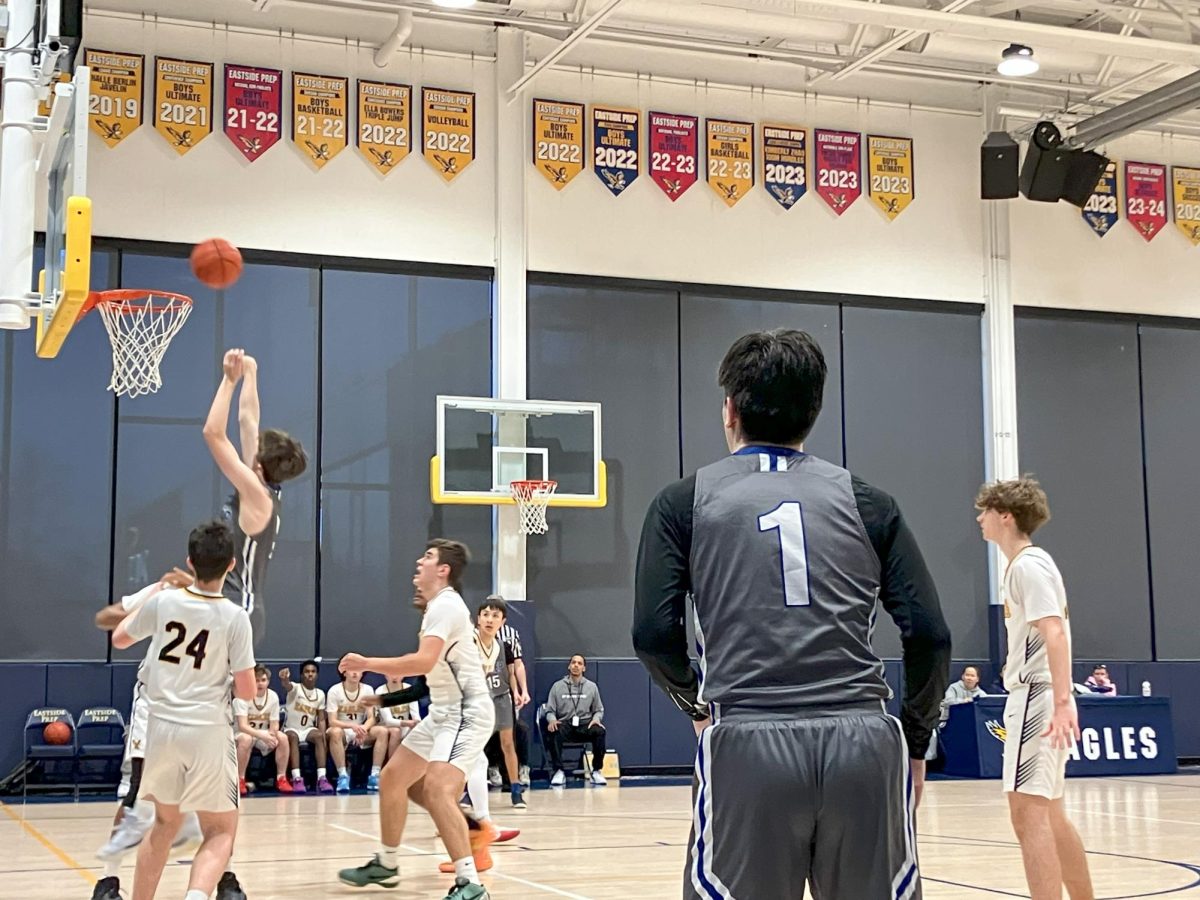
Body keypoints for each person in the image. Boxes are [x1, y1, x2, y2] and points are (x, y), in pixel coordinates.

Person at [633, 329, 952, 899]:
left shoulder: (683, 502)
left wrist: (695, 705)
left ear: (729, 409)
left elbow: (654, 635)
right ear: (814, 412)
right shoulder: (869, 500)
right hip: (864, 742)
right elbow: (929, 634)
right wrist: (916, 742)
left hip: (748, 740)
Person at [337, 539, 494, 900]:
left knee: (438, 789)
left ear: (443, 570)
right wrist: (384, 697)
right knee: (395, 779)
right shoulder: (436, 610)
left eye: (428, 557)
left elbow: (421, 663)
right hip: (442, 713)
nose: (418, 562)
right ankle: (388, 863)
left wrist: (366, 663)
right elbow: (428, 679)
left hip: (466, 713)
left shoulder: (447, 606)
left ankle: (471, 883)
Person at [110, 520, 257, 900]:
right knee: (221, 830)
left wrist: (155, 594)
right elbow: (246, 689)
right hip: (207, 730)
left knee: (162, 825)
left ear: (190, 562)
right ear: (231, 565)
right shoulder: (235, 616)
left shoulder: (164, 602)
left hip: (160, 729)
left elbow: (120, 638)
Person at [976, 476, 1095, 900]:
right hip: (1042, 696)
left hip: (1036, 696)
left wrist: (1063, 702)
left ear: (1005, 516)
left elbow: (1054, 632)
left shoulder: (1028, 565)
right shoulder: (1025, 566)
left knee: (1027, 815)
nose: (980, 518)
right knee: (1051, 813)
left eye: (986, 511)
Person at [91, 578, 204, 900]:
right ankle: (107, 881)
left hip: (195, 710)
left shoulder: (226, 606)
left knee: (208, 797)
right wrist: (146, 606)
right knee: (137, 791)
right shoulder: (164, 591)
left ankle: (222, 878)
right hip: (154, 707)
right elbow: (105, 619)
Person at [203, 349, 307, 645]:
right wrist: (251, 371)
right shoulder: (262, 483)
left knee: (223, 690)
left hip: (240, 608)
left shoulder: (256, 495)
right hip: (232, 604)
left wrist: (228, 381)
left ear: (258, 466)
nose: (254, 438)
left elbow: (213, 433)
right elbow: (248, 420)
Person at [541, 655, 608, 786]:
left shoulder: (591, 687)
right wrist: (552, 720)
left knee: (600, 732)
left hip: (585, 724)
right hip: (565, 723)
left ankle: (596, 771)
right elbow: (549, 710)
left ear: (584, 668)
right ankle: (559, 771)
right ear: (569, 666)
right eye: (573, 663)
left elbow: (599, 709)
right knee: (554, 730)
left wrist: (596, 719)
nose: (576, 665)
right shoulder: (557, 686)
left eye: (579, 663)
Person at [326, 659, 388, 792]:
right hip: (343, 729)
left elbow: (371, 718)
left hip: (361, 729)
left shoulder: (368, 689)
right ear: (344, 672)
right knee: (334, 732)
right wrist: (351, 726)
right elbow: (332, 721)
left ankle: (375, 775)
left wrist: (363, 729)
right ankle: (342, 776)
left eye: (358, 670)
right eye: (352, 670)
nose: (355, 673)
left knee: (382, 731)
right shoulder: (334, 690)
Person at [233, 665, 291, 795]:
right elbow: (242, 726)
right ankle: (240, 779)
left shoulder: (273, 696)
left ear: (268, 681)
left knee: (282, 737)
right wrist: (263, 736)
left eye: (263, 680)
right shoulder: (242, 696)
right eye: (257, 680)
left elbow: (275, 723)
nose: (260, 683)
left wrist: (271, 734)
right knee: (246, 739)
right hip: (242, 734)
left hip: (262, 733)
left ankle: (281, 778)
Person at [278, 660, 334, 793]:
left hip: (307, 729)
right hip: (291, 728)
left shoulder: (320, 694)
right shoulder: (296, 688)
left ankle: (322, 777)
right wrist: (285, 679)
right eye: (307, 672)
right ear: (302, 675)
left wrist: (323, 737)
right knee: (292, 737)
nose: (310, 674)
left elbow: (321, 719)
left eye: (313, 672)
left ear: (317, 675)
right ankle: (297, 778)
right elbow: (287, 685)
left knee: (319, 736)